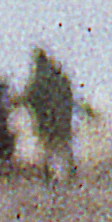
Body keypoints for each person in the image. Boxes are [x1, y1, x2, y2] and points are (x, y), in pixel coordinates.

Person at [27, 47, 79, 180]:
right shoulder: (60, 78)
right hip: (62, 121)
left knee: (48, 149)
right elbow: (69, 98)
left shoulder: (38, 80)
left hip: (46, 123)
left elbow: (29, 98)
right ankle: (71, 173)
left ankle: (47, 175)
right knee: (64, 147)